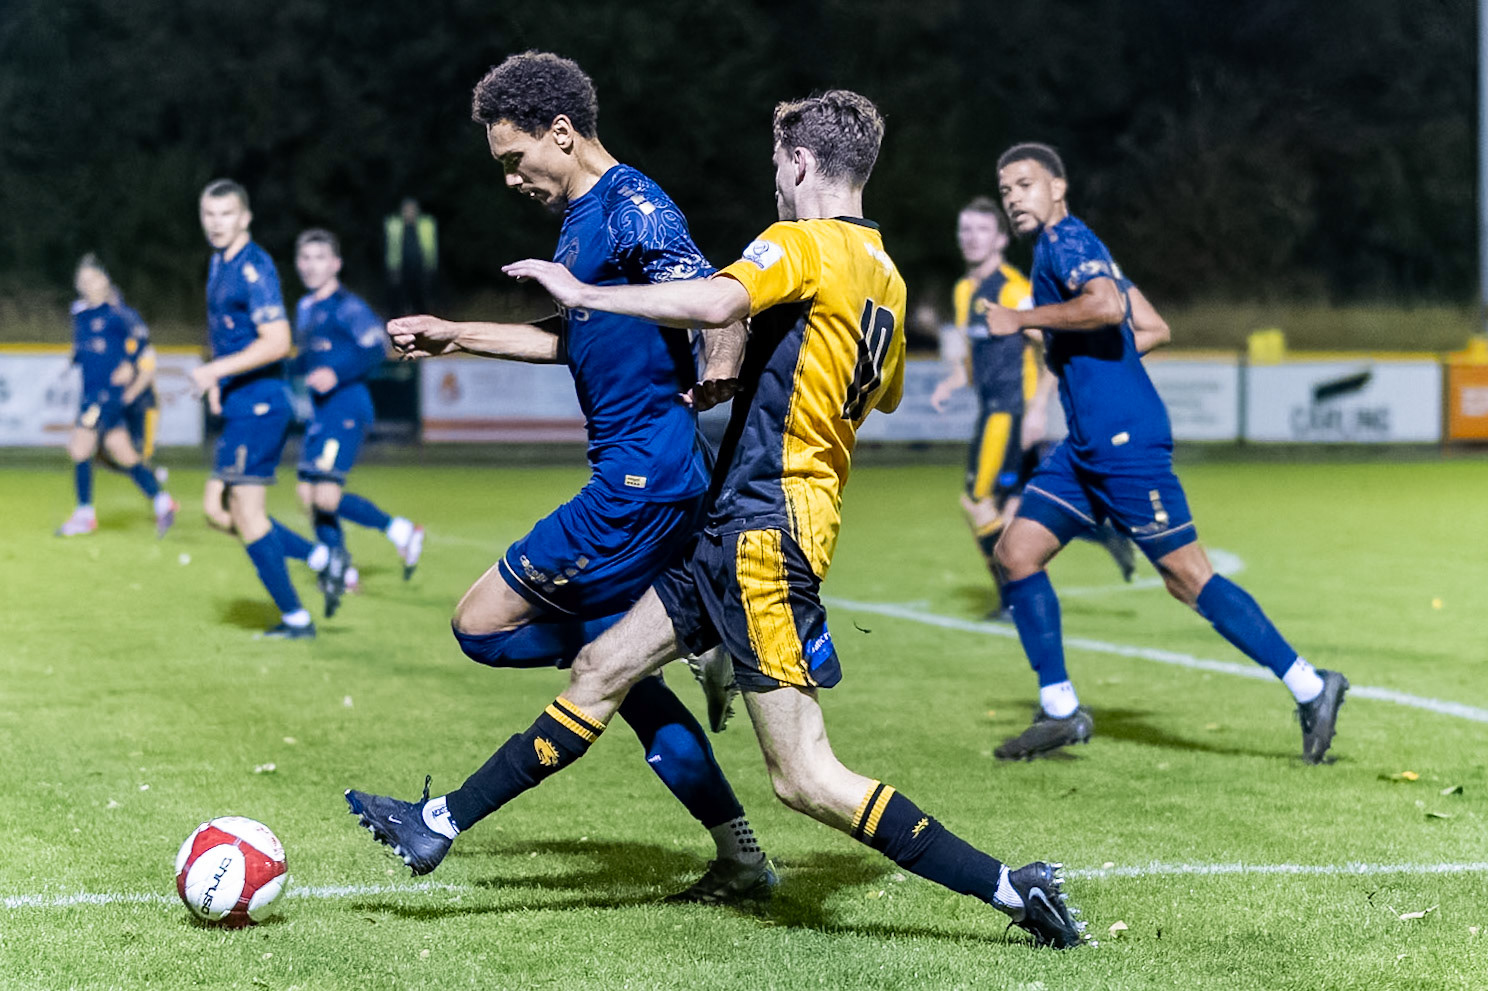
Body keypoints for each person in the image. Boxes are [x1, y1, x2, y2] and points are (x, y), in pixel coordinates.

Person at [348, 89, 1088, 949]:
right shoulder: (883, 272)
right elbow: (878, 397)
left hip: (764, 537)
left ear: (801, 164)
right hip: (744, 523)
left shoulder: (798, 243)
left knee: (806, 779)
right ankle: (439, 821)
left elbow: (711, 303)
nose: (774, 179)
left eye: (778, 164)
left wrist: (581, 290)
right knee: (597, 666)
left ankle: (1010, 886)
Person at [348, 52, 772, 904]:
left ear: (564, 133)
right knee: (618, 669)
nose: (510, 177)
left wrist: (721, 366)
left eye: (514, 158)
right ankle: (740, 853)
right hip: (643, 478)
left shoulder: (632, 204)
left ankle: (443, 820)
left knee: (483, 623)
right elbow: (570, 335)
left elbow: (716, 293)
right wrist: (455, 334)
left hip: (638, 486)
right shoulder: (582, 224)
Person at [984, 142, 1348, 763]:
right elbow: (1150, 326)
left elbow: (1104, 307)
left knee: (1188, 579)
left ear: (1058, 187)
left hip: (1124, 444)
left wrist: (1023, 321)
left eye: (1024, 184)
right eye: (1005, 189)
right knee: (1016, 553)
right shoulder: (1071, 247)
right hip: (1086, 446)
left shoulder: (1067, 242)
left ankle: (1312, 687)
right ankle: (1060, 710)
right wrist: (1103, 365)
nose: (1013, 197)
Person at [930, 198, 1133, 618]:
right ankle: (1096, 530)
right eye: (965, 229)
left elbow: (1055, 348)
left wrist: (1038, 408)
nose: (971, 237)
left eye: (982, 230)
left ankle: (1013, 600)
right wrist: (955, 379)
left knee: (978, 504)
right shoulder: (965, 290)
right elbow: (976, 355)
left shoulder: (1014, 291)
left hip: (1010, 413)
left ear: (1001, 239)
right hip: (992, 409)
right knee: (1012, 509)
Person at [192, 179, 317, 640]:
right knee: (216, 511)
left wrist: (214, 371)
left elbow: (278, 342)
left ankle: (297, 619)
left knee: (246, 514)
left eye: (226, 214)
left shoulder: (253, 267)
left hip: (263, 404)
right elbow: (231, 334)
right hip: (242, 401)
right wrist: (219, 382)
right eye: (209, 214)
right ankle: (322, 559)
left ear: (244, 217)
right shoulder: (218, 263)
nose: (217, 223)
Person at [292, 228, 425, 615]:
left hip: (346, 408)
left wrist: (337, 373)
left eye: (319, 257)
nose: (311, 265)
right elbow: (306, 359)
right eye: (305, 258)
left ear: (335, 264)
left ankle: (399, 531)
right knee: (307, 496)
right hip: (321, 412)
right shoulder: (304, 307)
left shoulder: (347, 307)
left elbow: (374, 345)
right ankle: (342, 568)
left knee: (326, 496)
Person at [55, 255, 177, 538]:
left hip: (106, 395)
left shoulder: (117, 315)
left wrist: (131, 364)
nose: (86, 284)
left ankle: (84, 514)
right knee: (122, 452)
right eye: (81, 280)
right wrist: (72, 359)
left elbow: (142, 340)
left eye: (92, 278)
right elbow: (84, 347)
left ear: (104, 280)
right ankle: (162, 501)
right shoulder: (81, 315)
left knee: (79, 447)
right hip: (90, 392)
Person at [384, 198, 438, 317]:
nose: (409, 213)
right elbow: (390, 248)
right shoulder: (394, 225)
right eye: (406, 210)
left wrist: (430, 267)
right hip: (401, 268)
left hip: (420, 268)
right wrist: (392, 269)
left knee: (420, 299)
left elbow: (432, 247)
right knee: (399, 301)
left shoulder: (426, 225)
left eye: (412, 209)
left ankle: (423, 326)